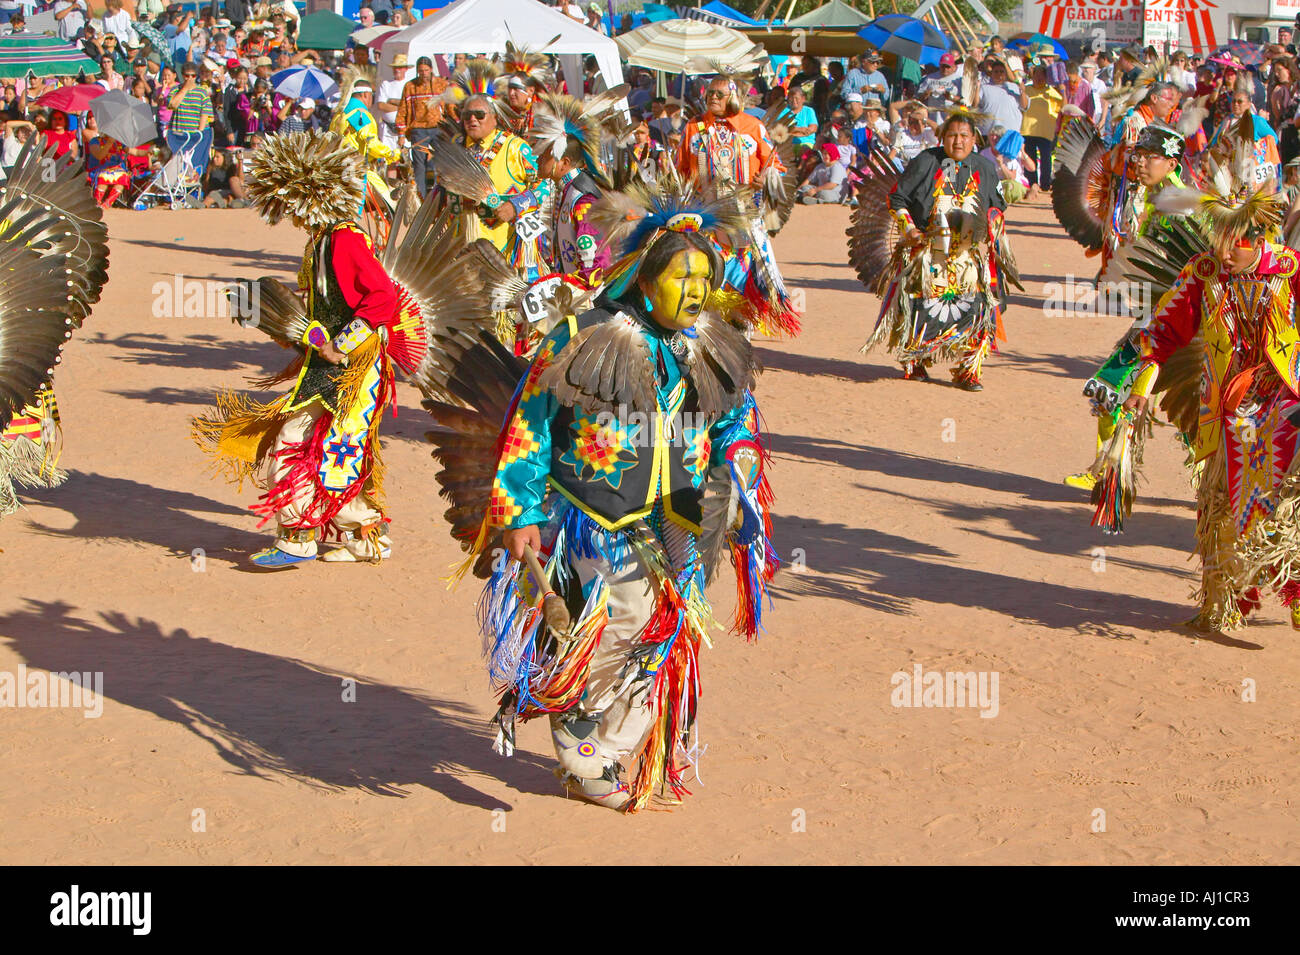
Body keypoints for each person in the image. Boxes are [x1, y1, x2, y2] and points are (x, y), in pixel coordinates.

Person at [450, 176, 777, 811]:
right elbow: (531, 422)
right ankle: (582, 743)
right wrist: (519, 509)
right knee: (597, 635)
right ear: (645, 278)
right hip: (594, 517)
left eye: (703, 278)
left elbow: (735, 415)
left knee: (664, 635)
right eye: (681, 277)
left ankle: (600, 752)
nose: (695, 291)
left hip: (681, 519)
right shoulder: (584, 332)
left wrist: (737, 468)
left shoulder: (709, 342)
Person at [194, 131, 403, 566]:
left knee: (308, 443)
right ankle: (367, 539)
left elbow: (383, 297)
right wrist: (292, 328)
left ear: (311, 194)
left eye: (289, 201)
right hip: (329, 365)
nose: (287, 212)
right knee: (335, 449)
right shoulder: (322, 240)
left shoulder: (344, 239)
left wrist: (341, 346)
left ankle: (299, 537)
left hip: (353, 369)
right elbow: (326, 307)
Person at [1111, 167, 1300, 634]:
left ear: (1255, 238)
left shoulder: (1290, 269)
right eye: (1217, 240)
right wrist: (1140, 387)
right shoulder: (1203, 273)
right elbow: (1162, 333)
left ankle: (1295, 590)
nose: (1221, 251)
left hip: (1283, 393)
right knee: (1221, 501)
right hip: (1225, 400)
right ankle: (1226, 602)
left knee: (1290, 498)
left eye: (1231, 242)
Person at [1065, 124, 1189, 492]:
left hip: (1169, 320)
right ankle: (1111, 469)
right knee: (1189, 404)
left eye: (1148, 157)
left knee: (1111, 386)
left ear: (1170, 162)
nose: (1139, 163)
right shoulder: (1160, 196)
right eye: (1137, 155)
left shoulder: (1178, 203)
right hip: (1162, 314)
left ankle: (1109, 471)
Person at [861, 112, 1017, 389]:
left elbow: (997, 207)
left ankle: (968, 370)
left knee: (978, 310)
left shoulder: (984, 168)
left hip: (967, 257)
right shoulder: (926, 162)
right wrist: (908, 228)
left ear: (974, 140)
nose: (958, 141)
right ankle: (916, 359)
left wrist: (994, 230)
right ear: (942, 137)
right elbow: (897, 198)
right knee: (921, 307)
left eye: (964, 136)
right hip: (928, 252)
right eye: (952, 135)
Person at [678, 72, 796, 335]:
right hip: (706, 216)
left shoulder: (752, 126)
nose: (713, 98)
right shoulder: (694, 128)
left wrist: (765, 178)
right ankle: (707, 329)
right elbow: (682, 172)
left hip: (744, 217)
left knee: (746, 274)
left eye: (719, 94)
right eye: (709, 94)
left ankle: (743, 332)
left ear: (733, 97)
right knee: (705, 271)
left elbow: (777, 167)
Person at [395, 55, 444, 199]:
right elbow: (402, 109)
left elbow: (449, 106)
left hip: (437, 129)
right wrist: (401, 134)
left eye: (426, 70)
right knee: (419, 165)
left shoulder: (440, 84)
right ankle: (421, 198)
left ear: (431, 70)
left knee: (436, 164)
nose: (423, 73)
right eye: (421, 70)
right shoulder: (410, 87)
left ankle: (437, 197)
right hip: (418, 130)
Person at [1021, 64, 1062, 197]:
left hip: (1046, 132)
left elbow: (1062, 106)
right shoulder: (1026, 90)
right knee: (1029, 158)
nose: (1039, 77)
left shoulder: (1051, 92)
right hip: (1027, 130)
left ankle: (1045, 184)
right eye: (1036, 74)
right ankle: (1031, 182)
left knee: (1046, 159)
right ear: (1032, 76)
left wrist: (1062, 90)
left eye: (1042, 75)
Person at [168, 62, 214, 175]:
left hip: (195, 135)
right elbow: (172, 105)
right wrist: (184, 90)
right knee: (178, 168)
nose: (190, 78)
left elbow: (205, 115)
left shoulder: (202, 92)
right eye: (187, 75)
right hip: (179, 135)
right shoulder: (175, 90)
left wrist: (199, 134)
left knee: (194, 169)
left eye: (193, 76)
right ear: (182, 75)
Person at [374, 53, 408, 151]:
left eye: (400, 67)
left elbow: (411, 106)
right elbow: (381, 105)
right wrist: (401, 107)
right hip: (388, 129)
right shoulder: (386, 84)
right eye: (395, 67)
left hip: (405, 130)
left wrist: (392, 101)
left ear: (406, 69)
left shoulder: (409, 85)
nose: (397, 69)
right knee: (388, 159)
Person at [85, 133, 130, 207]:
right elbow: (99, 156)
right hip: (99, 168)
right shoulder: (95, 141)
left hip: (115, 170)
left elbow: (134, 151)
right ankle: (97, 202)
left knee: (123, 177)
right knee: (104, 176)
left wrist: (147, 152)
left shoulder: (118, 142)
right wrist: (109, 143)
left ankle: (107, 203)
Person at [917, 52, 962, 124]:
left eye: (948, 67)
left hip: (950, 118)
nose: (945, 69)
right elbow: (918, 98)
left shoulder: (958, 80)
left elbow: (963, 101)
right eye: (943, 66)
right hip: (932, 118)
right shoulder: (930, 78)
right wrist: (925, 94)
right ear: (939, 65)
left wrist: (951, 97)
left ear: (953, 66)